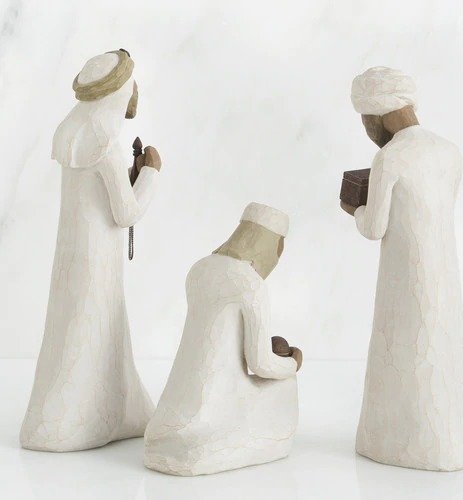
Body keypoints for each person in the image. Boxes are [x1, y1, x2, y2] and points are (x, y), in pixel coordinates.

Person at [20, 50, 162, 452]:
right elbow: (125, 212)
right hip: (98, 259)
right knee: (94, 321)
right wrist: (151, 174)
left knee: (76, 324)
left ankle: (103, 407)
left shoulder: (78, 134)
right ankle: (88, 416)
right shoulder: (106, 143)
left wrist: (132, 176)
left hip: (73, 252)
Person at [342, 66, 463, 471]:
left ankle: (392, 442)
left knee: (400, 350)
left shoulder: (390, 157)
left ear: (376, 115)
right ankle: (446, 444)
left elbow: (374, 228)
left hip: (403, 276)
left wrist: (353, 207)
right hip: (444, 274)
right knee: (440, 353)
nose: (367, 130)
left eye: (365, 120)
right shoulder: (450, 151)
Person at [144, 203, 302, 476]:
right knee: (286, 383)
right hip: (216, 406)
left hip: (168, 416)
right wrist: (293, 363)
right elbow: (261, 363)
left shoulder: (200, 268)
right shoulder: (250, 283)